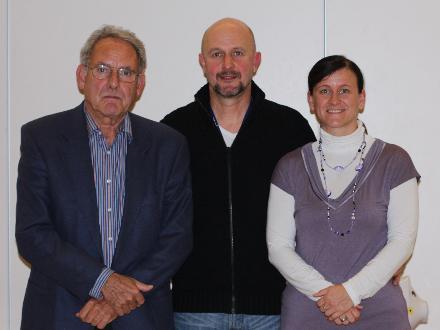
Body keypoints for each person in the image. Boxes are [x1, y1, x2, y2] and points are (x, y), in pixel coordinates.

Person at [15, 25, 192, 330]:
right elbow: (32, 234)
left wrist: (120, 297)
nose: (113, 82)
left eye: (126, 73)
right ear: (82, 76)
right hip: (60, 314)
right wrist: (103, 283)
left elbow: (177, 237)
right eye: (102, 69)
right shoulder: (42, 138)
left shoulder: (168, 145)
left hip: (142, 316)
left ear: (140, 85)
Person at [161, 18, 315, 329]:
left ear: (256, 61)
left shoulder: (289, 128)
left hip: (274, 311)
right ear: (202, 63)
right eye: (217, 54)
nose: (228, 64)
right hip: (194, 313)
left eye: (238, 53)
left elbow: (321, 211)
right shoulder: (174, 131)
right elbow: (150, 217)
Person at [267, 55, 420, 329]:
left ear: (361, 99)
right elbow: (278, 247)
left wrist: (350, 293)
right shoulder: (289, 167)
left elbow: (403, 240)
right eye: (324, 91)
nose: (334, 99)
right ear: (311, 101)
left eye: (345, 90)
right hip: (308, 310)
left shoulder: (395, 161)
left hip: (379, 313)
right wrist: (330, 297)